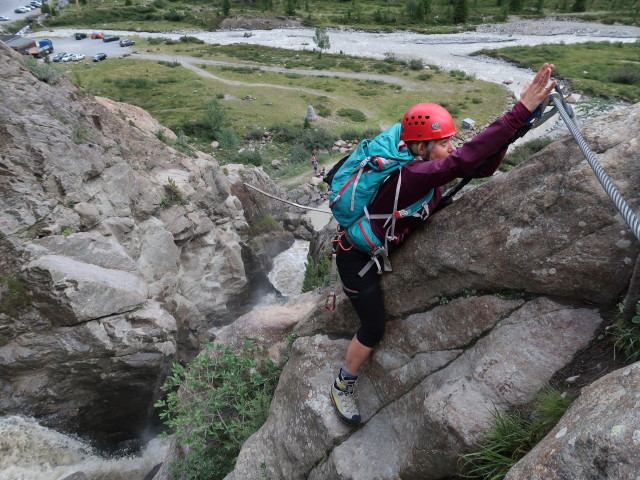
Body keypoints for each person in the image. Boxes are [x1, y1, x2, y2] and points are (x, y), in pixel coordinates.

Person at [330, 63, 557, 426]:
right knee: (373, 326)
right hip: (355, 259)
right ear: (421, 146)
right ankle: (343, 384)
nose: (453, 147)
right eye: (445, 142)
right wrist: (517, 114)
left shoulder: (424, 168)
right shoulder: (413, 176)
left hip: (378, 251)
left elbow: (477, 168)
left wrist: (515, 130)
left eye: (451, 140)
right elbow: (462, 163)